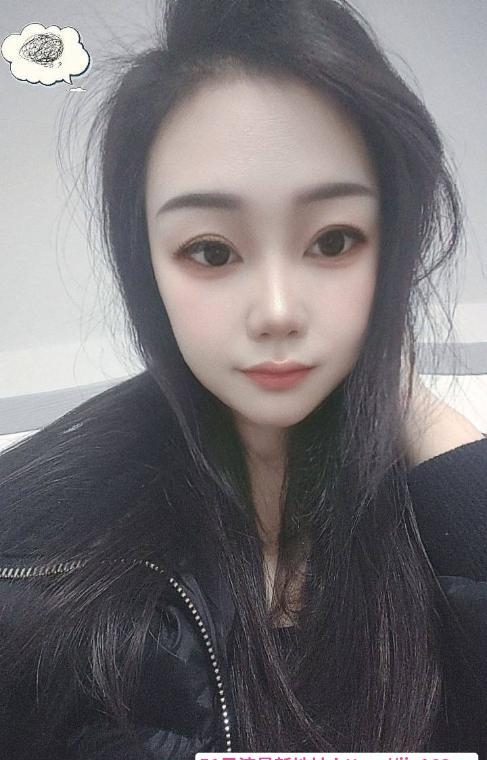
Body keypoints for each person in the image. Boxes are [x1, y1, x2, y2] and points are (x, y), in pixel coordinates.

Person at [0, 0, 486, 756]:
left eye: (334, 241)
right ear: (147, 267)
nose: (277, 312)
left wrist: (414, 406)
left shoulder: (434, 506)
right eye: (212, 251)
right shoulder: (31, 554)